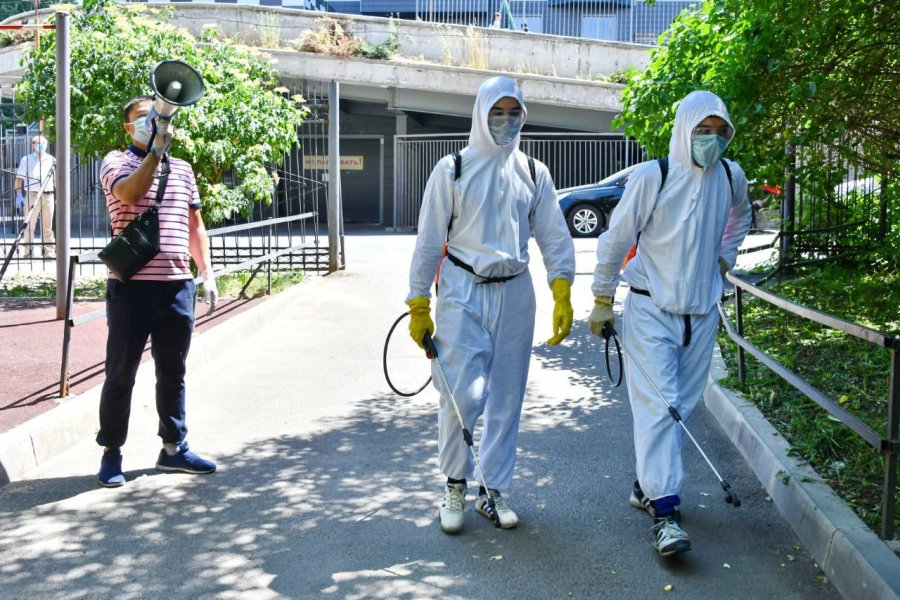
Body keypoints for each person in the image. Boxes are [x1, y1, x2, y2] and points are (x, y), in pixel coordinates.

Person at [406, 76, 576, 533]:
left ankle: (493, 489)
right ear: (481, 113)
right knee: (463, 394)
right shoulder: (453, 169)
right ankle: (455, 483)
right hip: (463, 290)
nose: (505, 121)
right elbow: (428, 242)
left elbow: (554, 236)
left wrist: (562, 289)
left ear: (524, 116)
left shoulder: (534, 172)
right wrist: (418, 302)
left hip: (517, 291)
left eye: (513, 112)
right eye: (496, 112)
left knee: (507, 395)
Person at [588, 90, 751, 556]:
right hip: (650, 309)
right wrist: (602, 297)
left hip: (701, 313)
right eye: (704, 131)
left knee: (683, 403)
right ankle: (666, 514)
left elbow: (741, 218)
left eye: (721, 132)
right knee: (660, 407)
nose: (712, 140)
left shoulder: (730, 176)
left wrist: (725, 258)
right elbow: (616, 238)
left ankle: (647, 486)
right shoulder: (653, 176)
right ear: (685, 129)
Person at [95, 95, 220, 487]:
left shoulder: (183, 169)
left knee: (173, 372)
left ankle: (173, 448)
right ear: (128, 128)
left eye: (157, 115)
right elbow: (130, 195)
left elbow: (193, 223)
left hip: (176, 286)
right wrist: (153, 154)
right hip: (131, 289)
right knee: (121, 374)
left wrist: (207, 271)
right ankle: (111, 453)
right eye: (142, 118)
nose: (152, 121)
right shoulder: (116, 161)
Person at [15, 135, 56, 258]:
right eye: (39, 143)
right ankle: (28, 251)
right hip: (32, 195)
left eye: (43, 143)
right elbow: (19, 178)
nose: (41, 145)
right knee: (29, 225)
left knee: (47, 226)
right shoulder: (26, 160)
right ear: (33, 145)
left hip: (48, 195)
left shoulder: (51, 159)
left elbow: (55, 179)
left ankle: (48, 251)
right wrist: (19, 195)